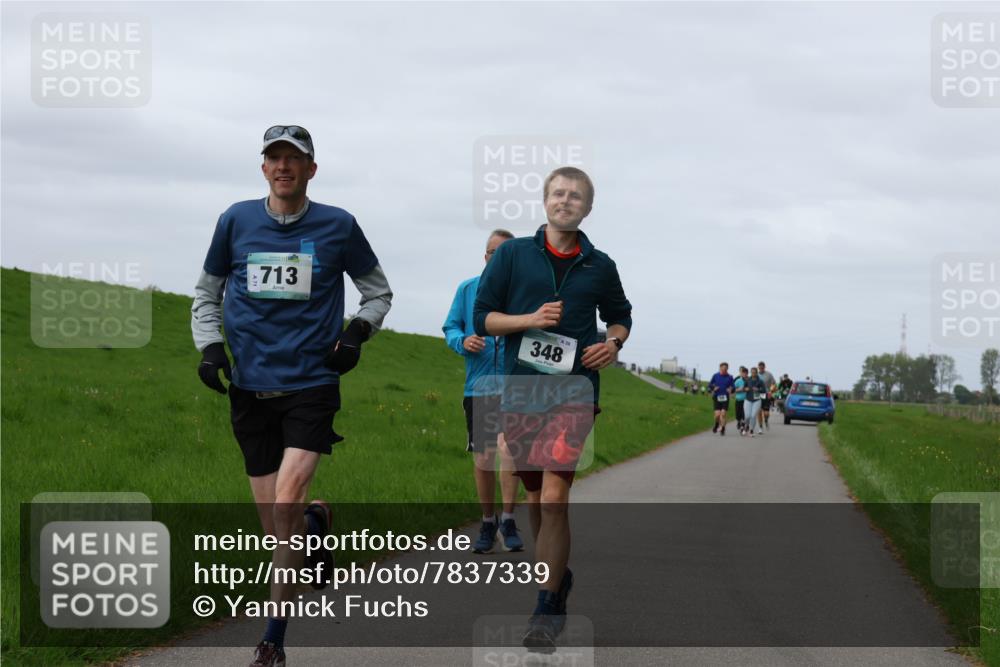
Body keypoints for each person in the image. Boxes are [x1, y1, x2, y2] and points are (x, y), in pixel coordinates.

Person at [191, 125, 393, 667]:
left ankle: (271, 642)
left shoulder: (338, 226)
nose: (283, 167)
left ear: (310, 169)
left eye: (294, 159)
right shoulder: (235, 220)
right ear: (263, 168)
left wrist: (355, 335)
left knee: (285, 500)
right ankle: (315, 524)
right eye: (274, 158)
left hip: (312, 384)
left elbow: (378, 291)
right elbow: (206, 294)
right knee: (277, 527)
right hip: (250, 387)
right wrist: (211, 348)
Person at [473, 166, 632, 652]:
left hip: (574, 392)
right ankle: (556, 580)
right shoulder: (513, 255)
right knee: (537, 495)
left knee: (555, 498)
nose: (566, 201)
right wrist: (530, 319)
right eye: (558, 193)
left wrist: (614, 343)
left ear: (588, 207)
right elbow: (484, 317)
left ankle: (545, 607)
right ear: (545, 202)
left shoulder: (600, 265)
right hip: (522, 394)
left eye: (576, 195)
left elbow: (620, 315)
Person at [443, 229, 523, 553]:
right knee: (485, 456)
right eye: (492, 253)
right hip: (479, 387)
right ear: (485, 256)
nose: (496, 258)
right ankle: (487, 522)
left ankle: (508, 519)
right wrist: (463, 341)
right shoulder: (468, 289)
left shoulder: (523, 294)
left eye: (504, 254)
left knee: (510, 452)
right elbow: (451, 327)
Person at [708, 362, 735, 436]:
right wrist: (714, 388)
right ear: (720, 368)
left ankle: (723, 428)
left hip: (725, 398)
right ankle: (716, 424)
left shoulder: (730, 377)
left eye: (725, 369)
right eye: (723, 369)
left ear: (727, 369)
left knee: (723, 414)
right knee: (717, 415)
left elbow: (733, 387)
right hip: (717, 397)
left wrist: (731, 390)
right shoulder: (715, 376)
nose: (724, 370)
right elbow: (709, 384)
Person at [744, 367, 766, 437]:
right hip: (748, 399)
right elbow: (744, 388)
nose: (753, 373)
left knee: (753, 415)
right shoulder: (748, 380)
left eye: (754, 372)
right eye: (752, 372)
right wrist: (746, 389)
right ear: (751, 373)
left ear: (756, 373)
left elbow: (764, 391)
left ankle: (751, 430)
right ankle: (746, 426)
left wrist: (758, 389)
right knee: (747, 416)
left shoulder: (760, 381)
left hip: (757, 400)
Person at [757, 361, 777, 431]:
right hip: (757, 395)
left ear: (764, 367)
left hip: (766, 395)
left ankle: (766, 420)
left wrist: (771, 390)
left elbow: (774, 384)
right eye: (760, 368)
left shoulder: (769, 374)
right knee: (759, 411)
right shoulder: (755, 375)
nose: (761, 369)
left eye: (762, 368)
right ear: (758, 368)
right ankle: (760, 426)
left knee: (766, 413)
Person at [733, 366, 749, 435]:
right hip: (738, 399)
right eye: (743, 373)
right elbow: (733, 390)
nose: (744, 374)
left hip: (746, 400)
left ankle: (743, 427)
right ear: (741, 373)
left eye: (746, 373)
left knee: (744, 415)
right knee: (738, 415)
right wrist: (739, 389)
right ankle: (739, 422)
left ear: (747, 374)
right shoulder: (738, 381)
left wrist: (748, 390)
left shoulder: (749, 380)